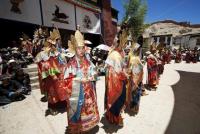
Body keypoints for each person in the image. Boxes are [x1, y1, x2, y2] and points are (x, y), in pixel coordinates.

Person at [64, 30, 99, 133]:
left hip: (88, 93)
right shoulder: (72, 64)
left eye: (83, 48)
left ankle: (86, 127)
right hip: (78, 94)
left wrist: (94, 75)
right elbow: (66, 81)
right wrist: (79, 80)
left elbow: (94, 73)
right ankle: (78, 128)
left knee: (88, 111)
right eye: (79, 48)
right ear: (75, 49)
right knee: (79, 112)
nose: (81, 50)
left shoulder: (88, 61)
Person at [104, 27, 128, 126]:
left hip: (111, 81)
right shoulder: (116, 55)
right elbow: (118, 71)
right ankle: (115, 118)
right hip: (115, 82)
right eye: (124, 44)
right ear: (120, 44)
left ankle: (111, 115)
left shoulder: (114, 53)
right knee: (118, 99)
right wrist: (125, 75)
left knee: (112, 99)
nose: (125, 46)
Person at [126, 44, 143, 114]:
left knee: (133, 94)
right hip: (136, 79)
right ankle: (135, 108)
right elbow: (139, 70)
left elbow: (129, 69)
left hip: (132, 79)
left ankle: (133, 107)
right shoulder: (136, 59)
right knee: (136, 94)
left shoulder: (132, 58)